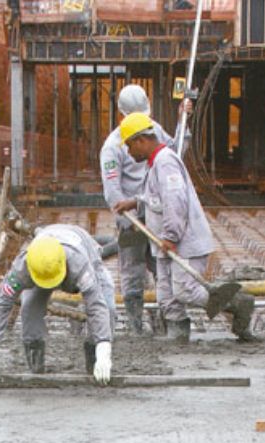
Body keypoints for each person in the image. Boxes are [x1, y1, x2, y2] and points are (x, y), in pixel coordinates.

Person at [113, 112, 256, 343]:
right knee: (166, 296)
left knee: (185, 290)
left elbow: (175, 200)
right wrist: (135, 202)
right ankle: (177, 334)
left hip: (182, 242)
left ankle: (237, 304)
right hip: (164, 243)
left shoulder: (166, 161)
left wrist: (170, 236)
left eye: (130, 147)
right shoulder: (154, 164)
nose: (129, 153)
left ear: (141, 140)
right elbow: (156, 197)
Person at [99, 84, 187, 334]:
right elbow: (113, 191)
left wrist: (183, 123)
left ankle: (168, 318)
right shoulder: (113, 147)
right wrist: (129, 219)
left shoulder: (154, 130)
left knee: (164, 269)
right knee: (133, 273)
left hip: (156, 214)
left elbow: (176, 153)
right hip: (133, 220)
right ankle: (136, 324)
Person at [0, 224, 116, 384]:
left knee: (108, 308)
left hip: (84, 252)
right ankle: (36, 365)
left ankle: (95, 360)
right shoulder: (24, 265)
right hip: (43, 265)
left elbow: (96, 304)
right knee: (29, 306)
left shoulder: (78, 262)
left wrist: (103, 348)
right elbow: (1, 302)